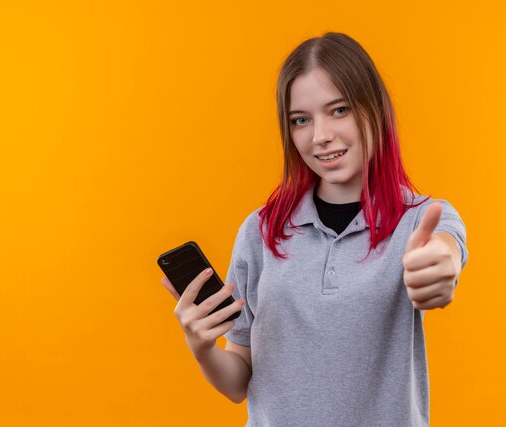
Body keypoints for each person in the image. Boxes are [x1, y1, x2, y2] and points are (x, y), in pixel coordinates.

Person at [161, 32, 469, 427]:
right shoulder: (260, 232)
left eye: (339, 110)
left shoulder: (421, 221)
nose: (319, 136)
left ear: (374, 109)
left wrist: (440, 268)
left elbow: (445, 251)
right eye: (300, 120)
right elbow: (239, 379)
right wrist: (201, 346)